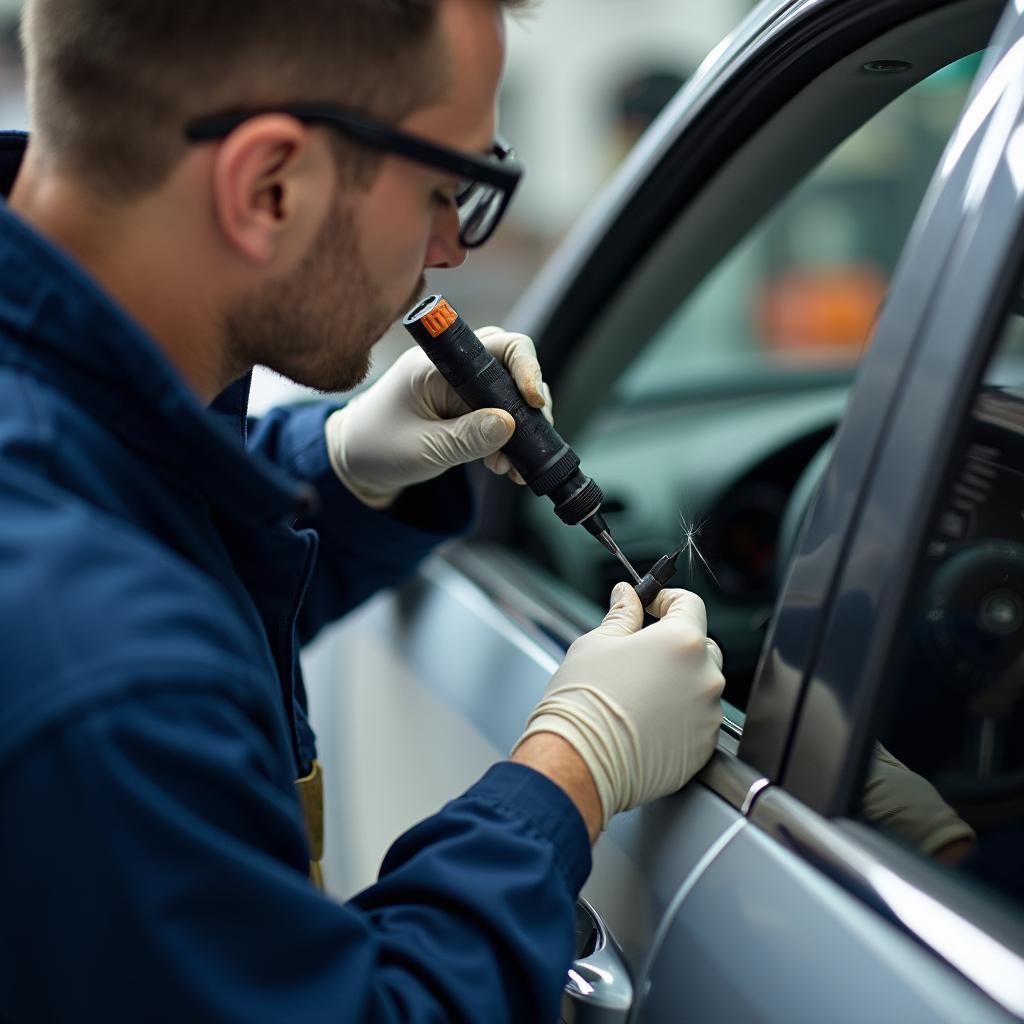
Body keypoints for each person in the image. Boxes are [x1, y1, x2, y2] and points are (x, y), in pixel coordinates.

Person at [0, 1, 726, 1021]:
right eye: (444, 187)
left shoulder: (70, 439)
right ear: (269, 185)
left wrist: (341, 467)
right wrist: (569, 768)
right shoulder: (100, 679)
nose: (451, 250)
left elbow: (147, 525)